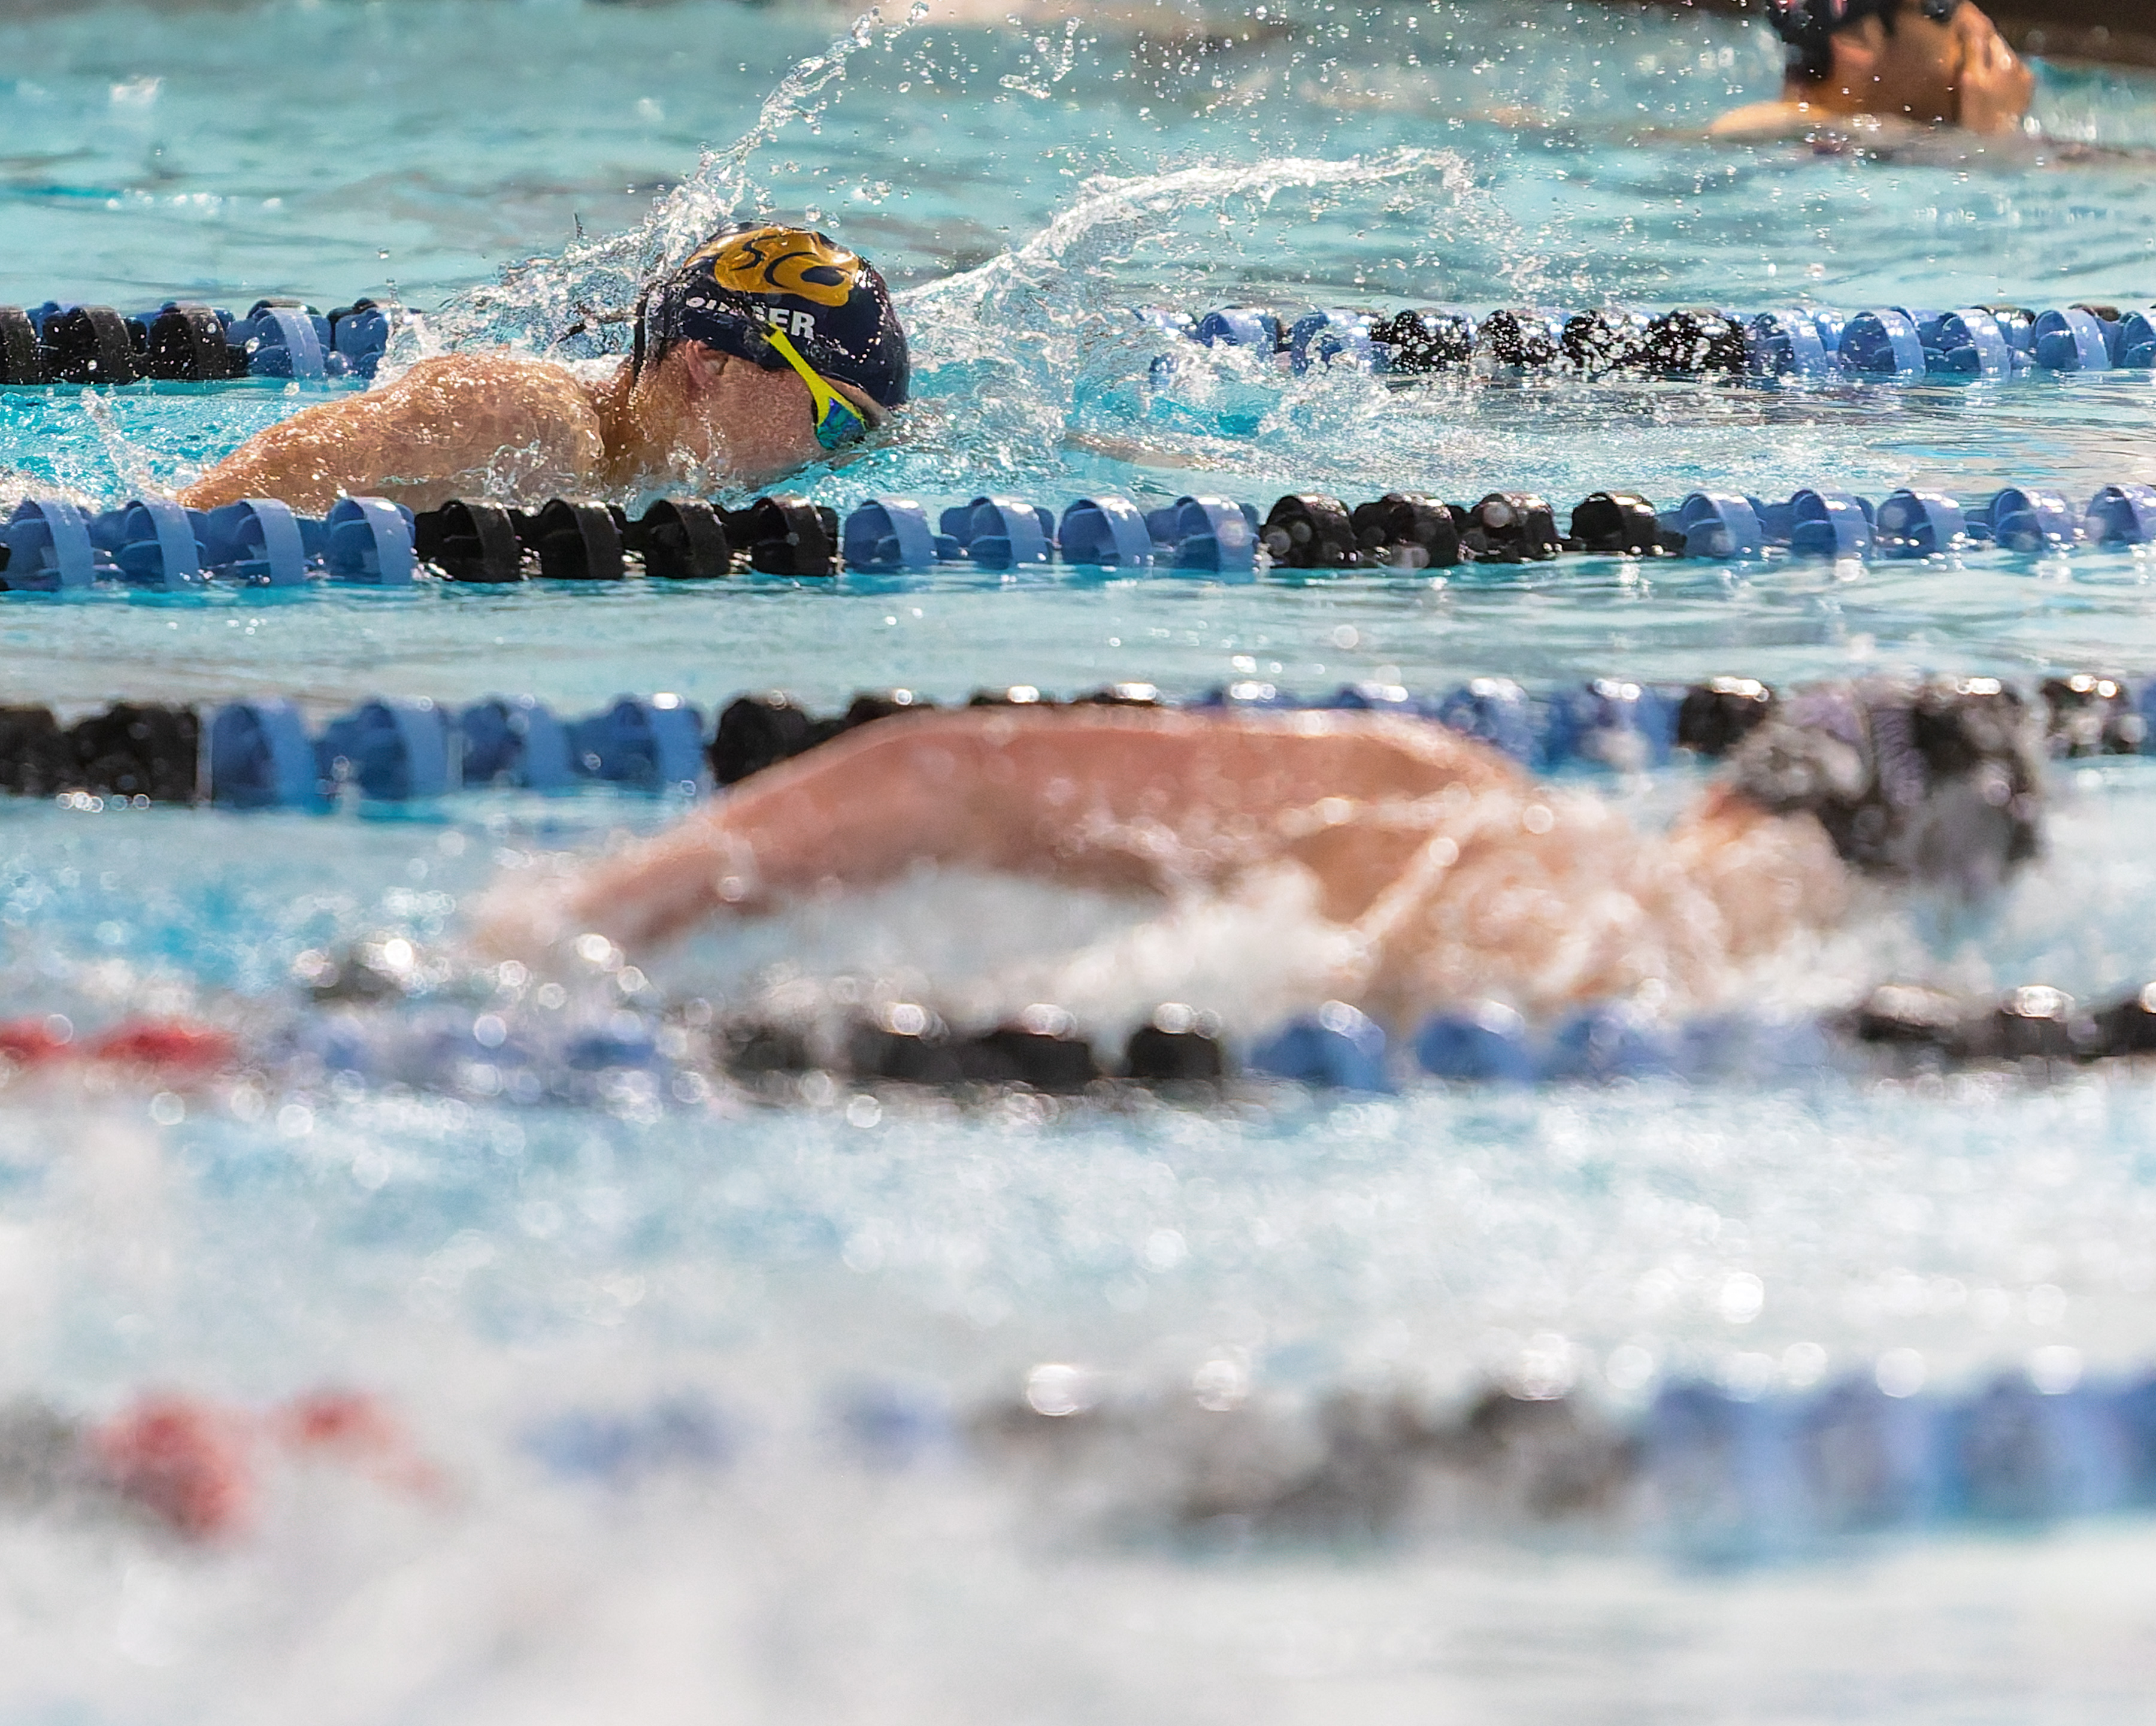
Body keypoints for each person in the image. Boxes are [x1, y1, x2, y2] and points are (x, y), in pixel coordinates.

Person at [476, 680, 2043, 1031]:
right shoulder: (1806, 1022)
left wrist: (580, 915)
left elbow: (943, 783)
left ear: (1725, 796)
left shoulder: (1448, 804)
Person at [177, 223, 910, 516]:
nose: (840, 461)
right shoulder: (519, 416)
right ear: (713, 361)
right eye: (838, 419)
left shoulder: (633, 476)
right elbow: (207, 519)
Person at [1711, 0, 2034, 140]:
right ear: (1860, 40)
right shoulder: (1789, 135)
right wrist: (1993, 138)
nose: (1978, 22)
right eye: (1941, 5)